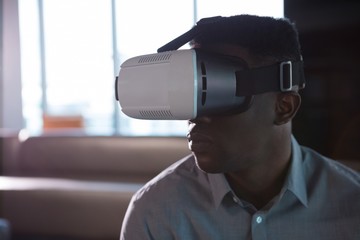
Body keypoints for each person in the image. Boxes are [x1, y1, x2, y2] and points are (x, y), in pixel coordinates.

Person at [120, 14, 360, 240]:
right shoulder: (156, 211)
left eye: (215, 93)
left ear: (284, 107)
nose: (196, 115)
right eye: (192, 94)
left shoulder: (352, 205)